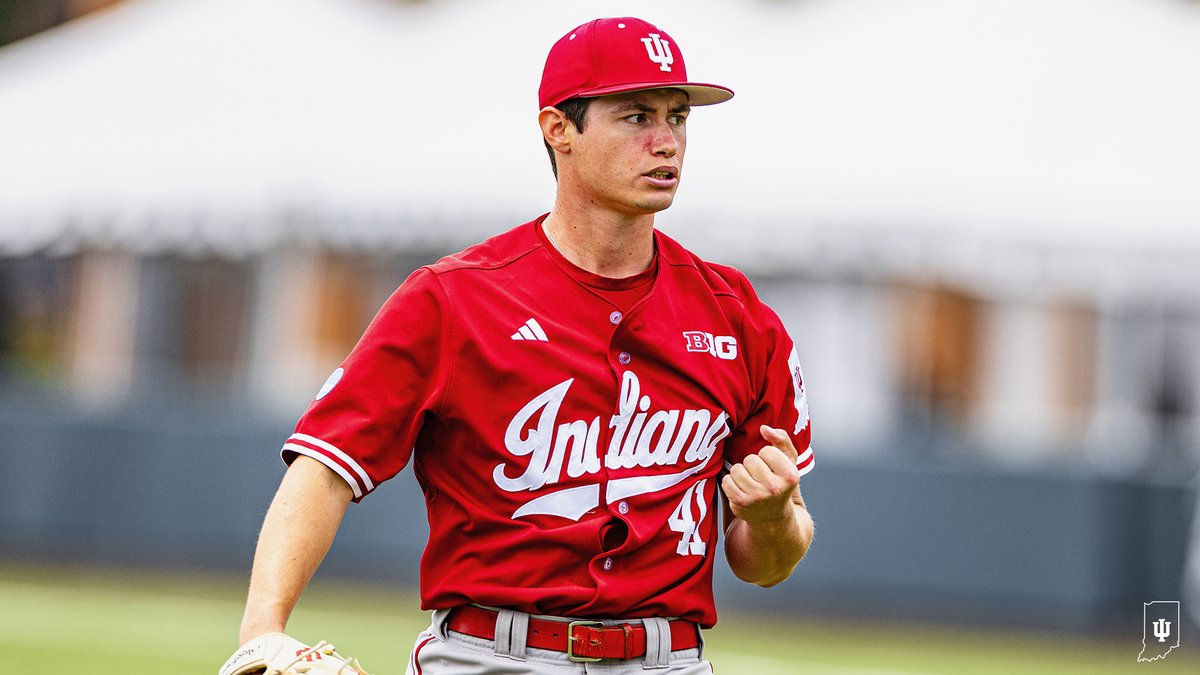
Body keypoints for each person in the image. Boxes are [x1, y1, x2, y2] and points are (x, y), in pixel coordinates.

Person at [229, 16, 815, 674]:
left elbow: (766, 563)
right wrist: (263, 629)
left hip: (669, 658)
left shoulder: (736, 315)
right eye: (636, 116)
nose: (666, 141)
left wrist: (772, 520)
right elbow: (326, 466)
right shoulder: (453, 299)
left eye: (677, 117)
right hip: (491, 654)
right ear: (558, 129)